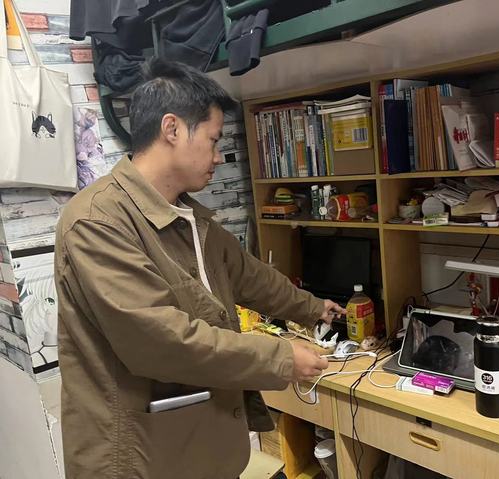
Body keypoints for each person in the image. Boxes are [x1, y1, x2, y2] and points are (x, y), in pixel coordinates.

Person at [54, 58, 346, 479]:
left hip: (195, 446)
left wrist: (314, 308)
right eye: (212, 139)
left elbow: (248, 275)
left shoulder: (186, 215)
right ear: (172, 129)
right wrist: (281, 358)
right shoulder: (97, 222)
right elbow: (163, 341)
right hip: (136, 457)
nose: (218, 155)